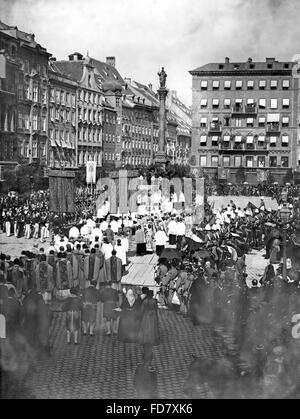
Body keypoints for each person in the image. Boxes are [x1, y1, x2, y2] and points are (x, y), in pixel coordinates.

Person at [137, 289, 160, 365]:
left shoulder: (145, 301)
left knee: (146, 328)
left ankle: (146, 339)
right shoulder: (154, 301)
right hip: (152, 316)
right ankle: (152, 339)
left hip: (146, 316)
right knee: (153, 328)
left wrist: (140, 317)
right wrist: (156, 317)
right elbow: (156, 310)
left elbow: (142, 310)